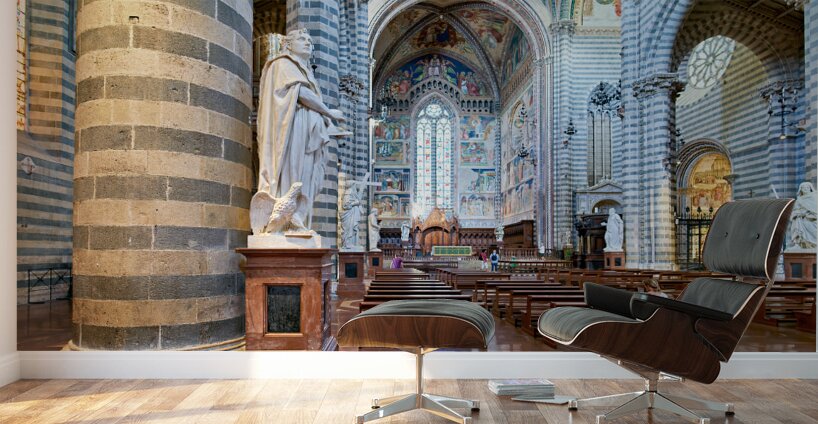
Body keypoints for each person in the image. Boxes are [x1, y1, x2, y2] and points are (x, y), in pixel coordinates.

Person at [256, 29, 345, 232]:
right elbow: (302, 94)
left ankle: (297, 218)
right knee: (292, 173)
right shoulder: (283, 63)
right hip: (291, 129)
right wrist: (329, 112)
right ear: (288, 44)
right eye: (301, 39)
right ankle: (283, 222)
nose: (307, 43)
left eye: (310, 41)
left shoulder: (304, 70)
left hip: (306, 132)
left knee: (307, 175)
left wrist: (328, 125)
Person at [788, 181, 817, 251]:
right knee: (797, 223)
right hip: (800, 219)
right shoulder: (799, 200)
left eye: (807, 187)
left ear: (810, 188)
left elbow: (815, 210)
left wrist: (805, 213)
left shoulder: (814, 197)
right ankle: (799, 244)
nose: (805, 189)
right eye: (803, 187)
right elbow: (795, 210)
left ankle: (814, 244)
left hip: (811, 219)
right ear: (800, 189)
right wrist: (797, 214)